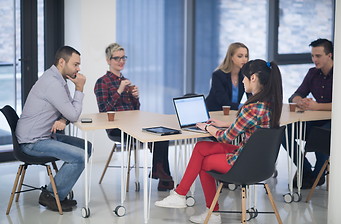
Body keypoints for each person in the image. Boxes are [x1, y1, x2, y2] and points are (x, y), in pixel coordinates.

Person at [155, 59, 283, 224]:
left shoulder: (250, 108)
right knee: (202, 147)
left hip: (244, 163)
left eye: (244, 77)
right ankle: (181, 195)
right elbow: (254, 127)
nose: (242, 81)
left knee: (204, 161)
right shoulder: (271, 104)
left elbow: (226, 137)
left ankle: (205, 209)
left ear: (253, 78)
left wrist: (206, 128)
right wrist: (225, 124)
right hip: (262, 165)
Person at [16, 46, 92, 212]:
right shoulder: (52, 83)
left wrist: (64, 119)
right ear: (62, 62)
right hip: (33, 141)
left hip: (45, 136)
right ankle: (50, 195)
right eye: (76, 64)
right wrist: (79, 88)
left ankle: (59, 193)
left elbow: (68, 111)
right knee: (80, 156)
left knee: (86, 147)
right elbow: (73, 114)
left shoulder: (57, 78)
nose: (78, 69)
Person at [94, 43, 173, 191]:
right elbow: (103, 110)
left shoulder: (125, 81)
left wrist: (135, 97)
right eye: (117, 58)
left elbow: (135, 110)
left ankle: (161, 173)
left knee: (162, 134)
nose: (121, 61)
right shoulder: (102, 82)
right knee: (156, 136)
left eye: (123, 57)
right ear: (108, 60)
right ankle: (163, 177)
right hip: (116, 128)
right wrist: (120, 90)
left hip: (134, 125)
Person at [285, 38, 333, 189]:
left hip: (333, 123)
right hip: (314, 121)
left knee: (321, 134)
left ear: (329, 55)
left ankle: (318, 175)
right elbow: (295, 95)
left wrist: (317, 106)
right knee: (284, 131)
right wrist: (300, 101)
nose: (314, 59)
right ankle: (305, 169)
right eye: (313, 56)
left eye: (318, 56)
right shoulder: (312, 73)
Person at [205, 42, 251, 111]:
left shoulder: (244, 76)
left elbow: (251, 96)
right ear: (231, 57)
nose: (244, 59)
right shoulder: (218, 75)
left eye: (246, 56)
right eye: (240, 56)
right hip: (215, 112)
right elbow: (223, 102)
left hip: (232, 112)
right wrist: (244, 107)